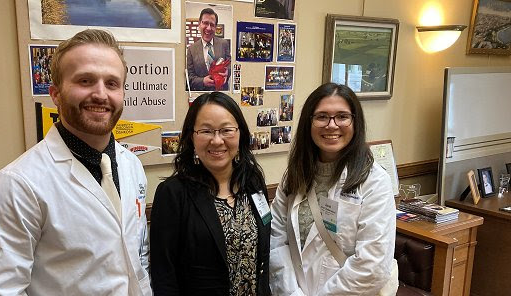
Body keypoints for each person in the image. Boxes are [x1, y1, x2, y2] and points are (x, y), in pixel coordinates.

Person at [0, 29, 152, 295]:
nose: (101, 94)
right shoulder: (15, 186)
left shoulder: (131, 166)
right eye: (85, 81)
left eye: (112, 83)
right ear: (56, 94)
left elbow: (138, 256)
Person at [269, 83, 397, 295]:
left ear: (355, 122)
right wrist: (291, 292)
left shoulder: (374, 182)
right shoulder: (294, 175)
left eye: (342, 116)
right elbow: (277, 240)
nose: (331, 125)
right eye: (321, 117)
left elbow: (372, 266)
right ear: (308, 123)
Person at [150, 92, 271, 295]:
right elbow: (164, 275)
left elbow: (263, 254)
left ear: (240, 133)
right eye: (206, 131)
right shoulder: (173, 193)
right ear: (192, 136)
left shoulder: (253, 181)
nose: (217, 140)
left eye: (226, 130)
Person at [186, 8, 231, 91]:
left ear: (216, 27)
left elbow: (229, 65)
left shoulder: (224, 44)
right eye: (205, 23)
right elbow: (190, 77)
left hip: (221, 94)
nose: (209, 28)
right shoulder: (191, 49)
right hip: (201, 96)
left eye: (212, 25)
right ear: (199, 24)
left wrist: (227, 72)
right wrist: (202, 81)